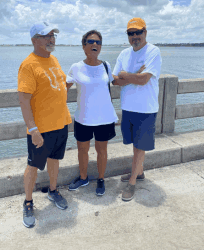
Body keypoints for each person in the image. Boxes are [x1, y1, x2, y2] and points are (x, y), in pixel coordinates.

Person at [18, 21, 72, 228]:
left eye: (53, 35)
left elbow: (58, 85)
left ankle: (52, 190)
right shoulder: (28, 65)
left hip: (61, 123)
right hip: (41, 129)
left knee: (55, 159)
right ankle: (28, 202)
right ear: (34, 40)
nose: (51, 39)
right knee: (33, 165)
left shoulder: (54, 59)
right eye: (46, 35)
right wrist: (33, 130)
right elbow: (23, 100)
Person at [112, 17, 162, 202]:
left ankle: (132, 182)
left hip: (146, 109)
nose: (135, 36)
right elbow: (115, 80)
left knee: (140, 147)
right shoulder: (124, 54)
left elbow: (144, 80)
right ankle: (139, 172)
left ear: (145, 32)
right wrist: (131, 75)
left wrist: (126, 75)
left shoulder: (153, 52)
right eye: (131, 33)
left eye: (138, 32)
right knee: (135, 143)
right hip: (128, 107)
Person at [66, 30, 118, 196]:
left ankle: (101, 179)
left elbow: (115, 80)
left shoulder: (106, 65)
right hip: (83, 117)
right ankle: (83, 177)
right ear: (83, 46)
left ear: (101, 47)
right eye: (90, 41)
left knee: (102, 150)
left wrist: (135, 74)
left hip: (104, 117)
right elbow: (62, 88)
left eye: (98, 42)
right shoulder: (76, 67)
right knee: (82, 150)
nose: (94, 45)